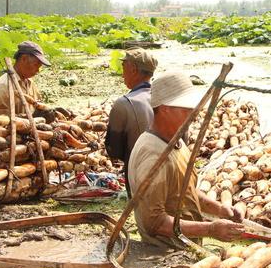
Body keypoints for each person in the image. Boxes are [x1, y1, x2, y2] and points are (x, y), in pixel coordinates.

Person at [128, 71, 245, 248]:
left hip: (186, 245)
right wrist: (210, 229)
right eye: (186, 109)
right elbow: (155, 223)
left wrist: (218, 209)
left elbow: (183, 190)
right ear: (165, 109)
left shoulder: (176, 142)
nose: (193, 113)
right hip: (165, 251)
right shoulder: (153, 156)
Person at [105, 48, 158, 188]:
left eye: (123, 67)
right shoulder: (167, 100)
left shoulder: (123, 103)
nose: (122, 75)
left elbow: (114, 150)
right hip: (171, 172)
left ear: (133, 69)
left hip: (139, 177)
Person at [0, 41, 51, 116]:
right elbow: (2, 119)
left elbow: (38, 105)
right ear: (24, 59)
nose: (38, 70)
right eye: (36, 65)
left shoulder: (30, 82)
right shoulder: (3, 85)